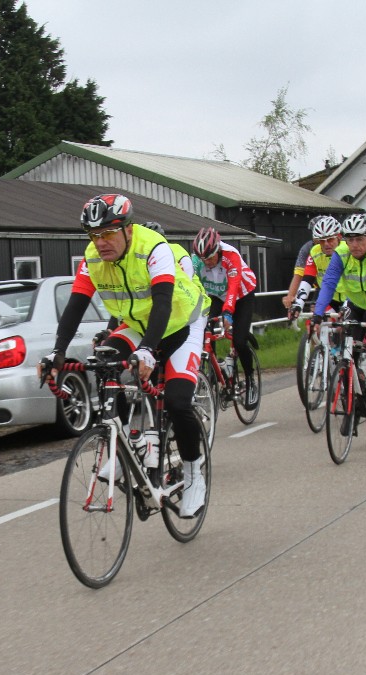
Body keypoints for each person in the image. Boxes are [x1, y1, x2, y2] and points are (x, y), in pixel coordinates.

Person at [41, 194, 209, 518]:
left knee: (177, 402)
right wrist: (57, 352)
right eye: (94, 234)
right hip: (138, 325)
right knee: (105, 361)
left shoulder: (154, 248)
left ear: (128, 229)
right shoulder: (92, 257)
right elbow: (75, 305)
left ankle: (193, 474)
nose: (100, 242)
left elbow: (163, 303)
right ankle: (123, 447)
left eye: (107, 233)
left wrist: (147, 350)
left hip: (181, 323)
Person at [312, 213, 366, 393]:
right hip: (356, 302)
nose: (355, 245)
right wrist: (317, 314)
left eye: (359, 239)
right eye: (350, 240)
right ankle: (355, 384)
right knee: (351, 341)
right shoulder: (341, 253)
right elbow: (328, 283)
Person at [192, 227, 259, 407]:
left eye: (210, 258)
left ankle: (250, 380)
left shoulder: (231, 255)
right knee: (204, 332)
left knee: (239, 341)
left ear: (218, 250)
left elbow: (234, 286)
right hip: (216, 296)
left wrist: (228, 313)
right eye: (203, 259)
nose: (207, 262)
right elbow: (190, 285)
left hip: (242, 295)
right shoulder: (197, 261)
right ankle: (214, 375)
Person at [290, 215, 345, 319]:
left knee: (349, 323)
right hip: (330, 297)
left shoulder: (348, 250)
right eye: (322, 241)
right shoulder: (314, 251)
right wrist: (298, 304)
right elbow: (307, 279)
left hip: (350, 297)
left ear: (339, 237)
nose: (326, 244)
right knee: (318, 321)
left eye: (330, 239)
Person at [283, 215, 329, 310]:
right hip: (322, 286)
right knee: (315, 310)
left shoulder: (342, 247)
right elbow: (299, 274)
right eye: (316, 234)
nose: (324, 242)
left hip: (344, 288)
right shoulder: (308, 249)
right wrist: (291, 296)